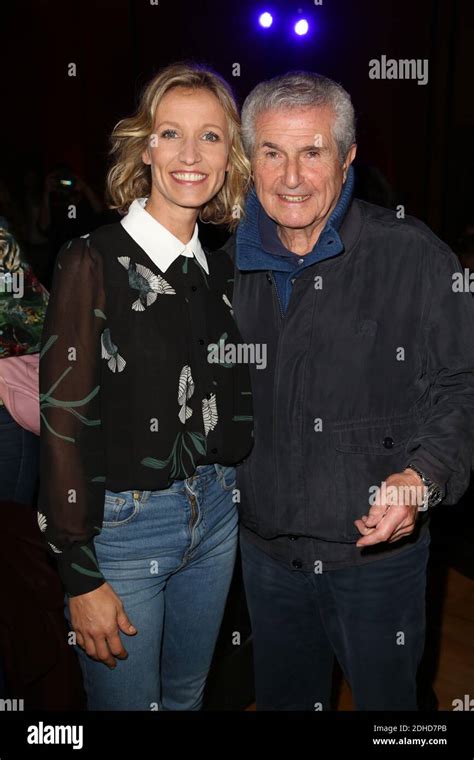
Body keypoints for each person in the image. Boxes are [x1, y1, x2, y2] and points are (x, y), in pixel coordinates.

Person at [223, 71, 474, 710]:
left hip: (375, 564)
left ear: (348, 155)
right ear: (250, 159)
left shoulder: (412, 256)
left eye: (313, 152)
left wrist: (423, 474)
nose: (291, 177)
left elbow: (463, 382)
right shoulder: (222, 267)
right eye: (273, 153)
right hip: (266, 556)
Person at [38, 62, 253, 711]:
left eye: (211, 136)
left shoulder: (219, 271)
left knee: (186, 699)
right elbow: (61, 426)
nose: (191, 154)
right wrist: (79, 575)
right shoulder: (92, 260)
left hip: (216, 516)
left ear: (228, 157)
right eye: (171, 133)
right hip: (124, 531)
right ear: (145, 147)